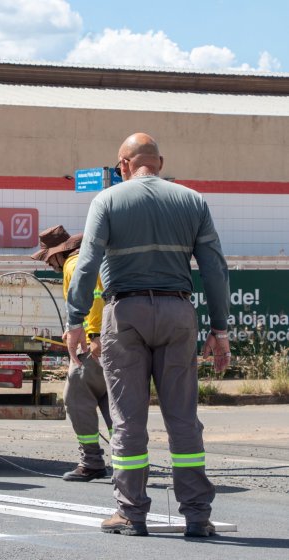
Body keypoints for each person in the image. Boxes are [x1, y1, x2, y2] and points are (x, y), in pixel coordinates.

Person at [64, 133, 231, 538]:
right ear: (159, 162)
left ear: (123, 164)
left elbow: (86, 264)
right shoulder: (192, 200)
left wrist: (74, 320)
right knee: (183, 419)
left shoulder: (107, 200)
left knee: (128, 419)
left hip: (126, 315)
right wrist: (220, 330)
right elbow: (214, 268)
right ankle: (197, 515)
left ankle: (131, 513)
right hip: (177, 312)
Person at [32, 225, 113, 482]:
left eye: (48, 258)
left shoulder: (73, 264)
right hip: (117, 338)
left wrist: (93, 335)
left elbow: (95, 298)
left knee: (76, 399)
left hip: (94, 345)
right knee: (115, 403)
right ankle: (129, 463)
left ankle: (91, 461)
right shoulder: (95, 258)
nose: (50, 264)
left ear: (58, 254)